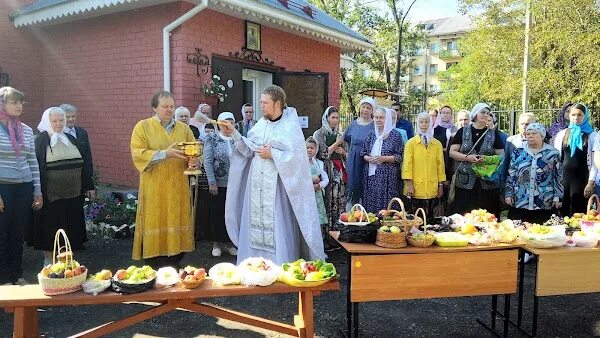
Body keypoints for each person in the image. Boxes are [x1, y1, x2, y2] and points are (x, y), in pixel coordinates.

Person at [224, 85, 325, 264]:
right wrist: (235, 134)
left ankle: (279, 264)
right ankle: (252, 262)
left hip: (278, 187)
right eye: (261, 102)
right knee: (254, 222)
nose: (261, 106)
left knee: (278, 223)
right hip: (256, 185)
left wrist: (274, 154)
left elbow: (296, 158)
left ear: (277, 103)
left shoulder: (290, 126)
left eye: (265, 102)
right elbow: (250, 150)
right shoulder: (260, 124)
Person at [130, 91, 198, 268]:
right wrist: (164, 154)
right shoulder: (142, 127)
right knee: (155, 218)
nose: (169, 109)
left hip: (177, 186)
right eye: (165, 106)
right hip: (154, 187)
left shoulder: (184, 129)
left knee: (176, 218)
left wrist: (194, 160)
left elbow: (194, 149)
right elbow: (137, 153)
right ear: (154, 108)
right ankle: (153, 263)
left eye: (172, 106)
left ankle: (175, 261)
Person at [32, 107, 94, 267]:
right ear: (47, 121)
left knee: (71, 230)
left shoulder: (72, 139)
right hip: (50, 198)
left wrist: (89, 185)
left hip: (73, 196)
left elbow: (84, 163)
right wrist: (36, 192)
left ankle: (68, 264)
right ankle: (49, 263)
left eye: (61, 120)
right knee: (51, 231)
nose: (58, 124)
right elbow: (35, 168)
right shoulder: (40, 141)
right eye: (54, 121)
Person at [0, 87, 42, 285]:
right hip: (3, 188)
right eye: (14, 102)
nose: (19, 106)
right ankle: (3, 279)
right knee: (2, 233)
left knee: (17, 234)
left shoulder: (25, 129)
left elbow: (32, 161)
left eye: (20, 102)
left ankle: (16, 275)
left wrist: (37, 190)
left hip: (24, 187)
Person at [449, 103, 505, 216]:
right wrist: (467, 158)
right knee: (464, 214)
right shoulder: (462, 131)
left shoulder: (493, 134)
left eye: (488, 113)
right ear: (475, 114)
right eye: (482, 112)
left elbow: (501, 156)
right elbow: (452, 152)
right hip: (465, 182)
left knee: (486, 216)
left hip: (487, 183)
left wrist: (487, 159)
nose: (485, 115)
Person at [505, 123, 563, 223]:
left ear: (542, 135)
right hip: (521, 200)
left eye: (534, 133)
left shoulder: (553, 153)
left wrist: (557, 197)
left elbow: (559, 176)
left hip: (544, 201)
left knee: (542, 233)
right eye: (528, 134)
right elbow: (511, 174)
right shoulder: (518, 151)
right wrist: (508, 194)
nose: (530, 136)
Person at [203, 112, 238, 257]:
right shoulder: (212, 138)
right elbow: (208, 161)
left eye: (230, 122)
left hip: (236, 183)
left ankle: (230, 243)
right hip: (219, 183)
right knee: (217, 213)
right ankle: (216, 243)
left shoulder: (238, 138)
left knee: (232, 214)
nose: (227, 125)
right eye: (224, 122)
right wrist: (212, 182)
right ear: (219, 124)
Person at [554, 103, 597, 216]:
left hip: (582, 179)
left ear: (585, 116)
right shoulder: (562, 134)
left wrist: (590, 182)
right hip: (564, 179)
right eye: (573, 114)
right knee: (563, 211)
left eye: (579, 115)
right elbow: (557, 158)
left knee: (578, 212)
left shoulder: (592, 135)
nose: (576, 118)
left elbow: (595, 163)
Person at [360, 107, 404, 213]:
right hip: (372, 178)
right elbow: (363, 153)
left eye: (381, 118)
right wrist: (368, 158)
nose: (378, 120)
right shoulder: (371, 135)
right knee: (371, 207)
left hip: (388, 179)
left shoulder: (395, 135)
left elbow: (399, 157)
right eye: (376, 117)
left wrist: (383, 159)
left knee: (387, 206)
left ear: (387, 119)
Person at [403, 112, 445, 216]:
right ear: (418, 123)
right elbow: (407, 165)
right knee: (415, 217)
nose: (424, 124)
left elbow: (440, 166)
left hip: (432, 187)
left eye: (427, 122)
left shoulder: (437, 144)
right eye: (421, 122)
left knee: (431, 218)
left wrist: (440, 185)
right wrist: (409, 184)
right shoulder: (411, 143)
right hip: (415, 187)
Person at [312, 106, 347, 232]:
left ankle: (339, 230)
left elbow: (347, 155)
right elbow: (322, 154)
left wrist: (342, 151)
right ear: (327, 118)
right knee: (328, 200)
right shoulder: (319, 134)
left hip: (339, 171)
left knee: (339, 200)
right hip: (326, 170)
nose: (335, 120)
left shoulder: (340, 134)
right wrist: (337, 143)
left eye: (337, 118)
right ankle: (326, 234)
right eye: (333, 117)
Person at [60, 103, 95, 200]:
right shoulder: (57, 135)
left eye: (73, 116)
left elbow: (88, 159)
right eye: (68, 117)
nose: (71, 119)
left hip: (82, 180)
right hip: (65, 183)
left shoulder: (82, 133)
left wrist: (89, 185)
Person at [344, 97, 375, 204]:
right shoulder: (353, 124)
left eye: (368, 108)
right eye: (363, 107)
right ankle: (354, 211)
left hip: (368, 160)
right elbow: (344, 139)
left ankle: (367, 212)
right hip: (353, 160)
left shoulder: (375, 125)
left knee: (367, 185)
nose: (365, 110)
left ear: (372, 110)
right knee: (353, 185)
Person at [306, 136, 332, 251]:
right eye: (307, 148)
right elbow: (299, 178)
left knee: (318, 222)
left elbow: (325, 179)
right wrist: (311, 179)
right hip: (305, 198)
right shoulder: (301, 164)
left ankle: (319, 248)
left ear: (316, 149)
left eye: (312, 148)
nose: (309, 150)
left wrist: (319, 185)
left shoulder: (319, 164)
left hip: (317, 197)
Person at [433, 105, 457, 211]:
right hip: (438, 160)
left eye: (448, 113)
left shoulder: (455, 129)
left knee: (450, 189)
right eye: (443, 112)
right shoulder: (435, 129)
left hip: (451, 161)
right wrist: (444, 149)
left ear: (451, 115)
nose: (445, 115)